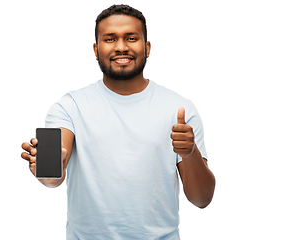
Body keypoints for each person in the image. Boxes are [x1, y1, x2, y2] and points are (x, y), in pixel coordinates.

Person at [21, 4, 215, 239]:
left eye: (131, 38)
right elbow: (52, 178)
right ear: (96, 49)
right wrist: (48, 167)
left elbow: (202, 199)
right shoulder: (69, 106)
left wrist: (190, 152)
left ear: (147, 47)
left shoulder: (179, 109)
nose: (121, 47)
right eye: (110, 39)